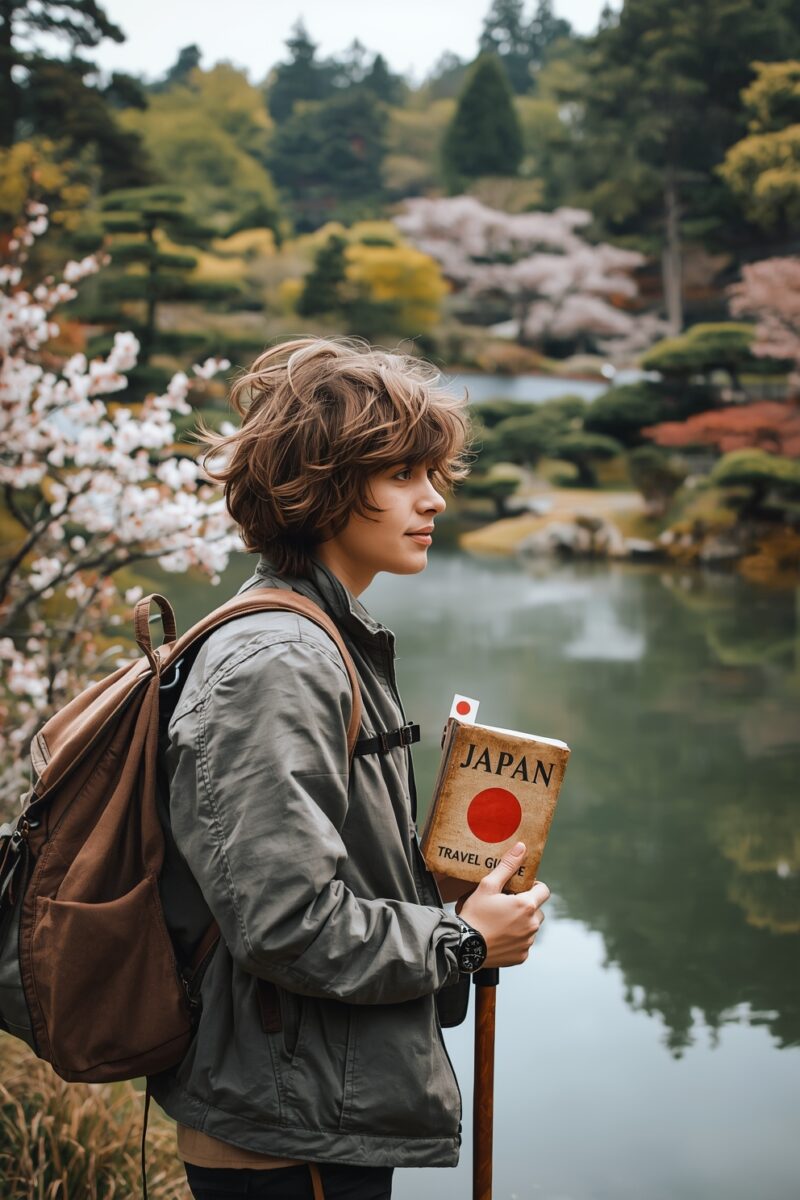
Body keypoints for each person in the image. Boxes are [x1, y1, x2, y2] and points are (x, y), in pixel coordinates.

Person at [149, 336, 551, 1200]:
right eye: (404, 474)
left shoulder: (326, 638)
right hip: (287, 1126)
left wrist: (439, 884)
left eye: (432, 473)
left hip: (315, 1100)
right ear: (326, 481)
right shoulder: (277, 661)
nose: (434, 497)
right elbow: (284, 921)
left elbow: (314, 870)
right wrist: (466, 941)